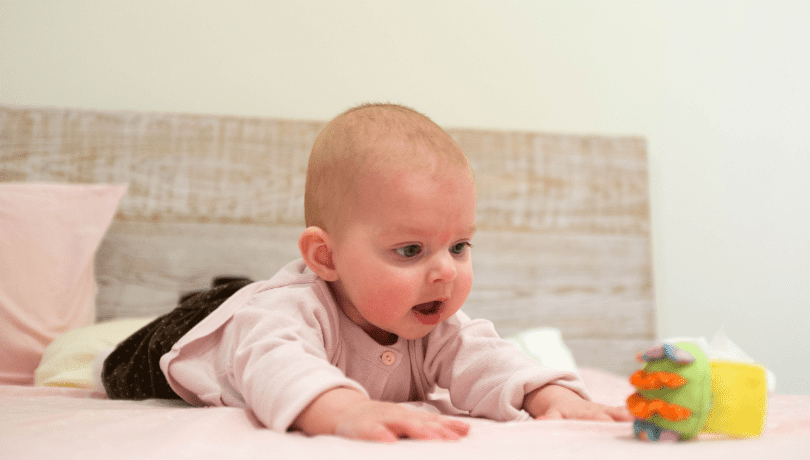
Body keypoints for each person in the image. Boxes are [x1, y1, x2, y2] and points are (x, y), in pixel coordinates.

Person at [102, 103, 632, 442]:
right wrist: (343, 410)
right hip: (188, 339)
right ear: (326, 258)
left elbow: (488, 360)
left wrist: (550, 397)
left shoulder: (431, 320)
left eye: (460, 245)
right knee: (128, 360)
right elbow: (277, 363)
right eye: (410, 250)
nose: (445, 271)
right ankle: (215, 299)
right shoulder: (287, 314)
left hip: (264, 303)